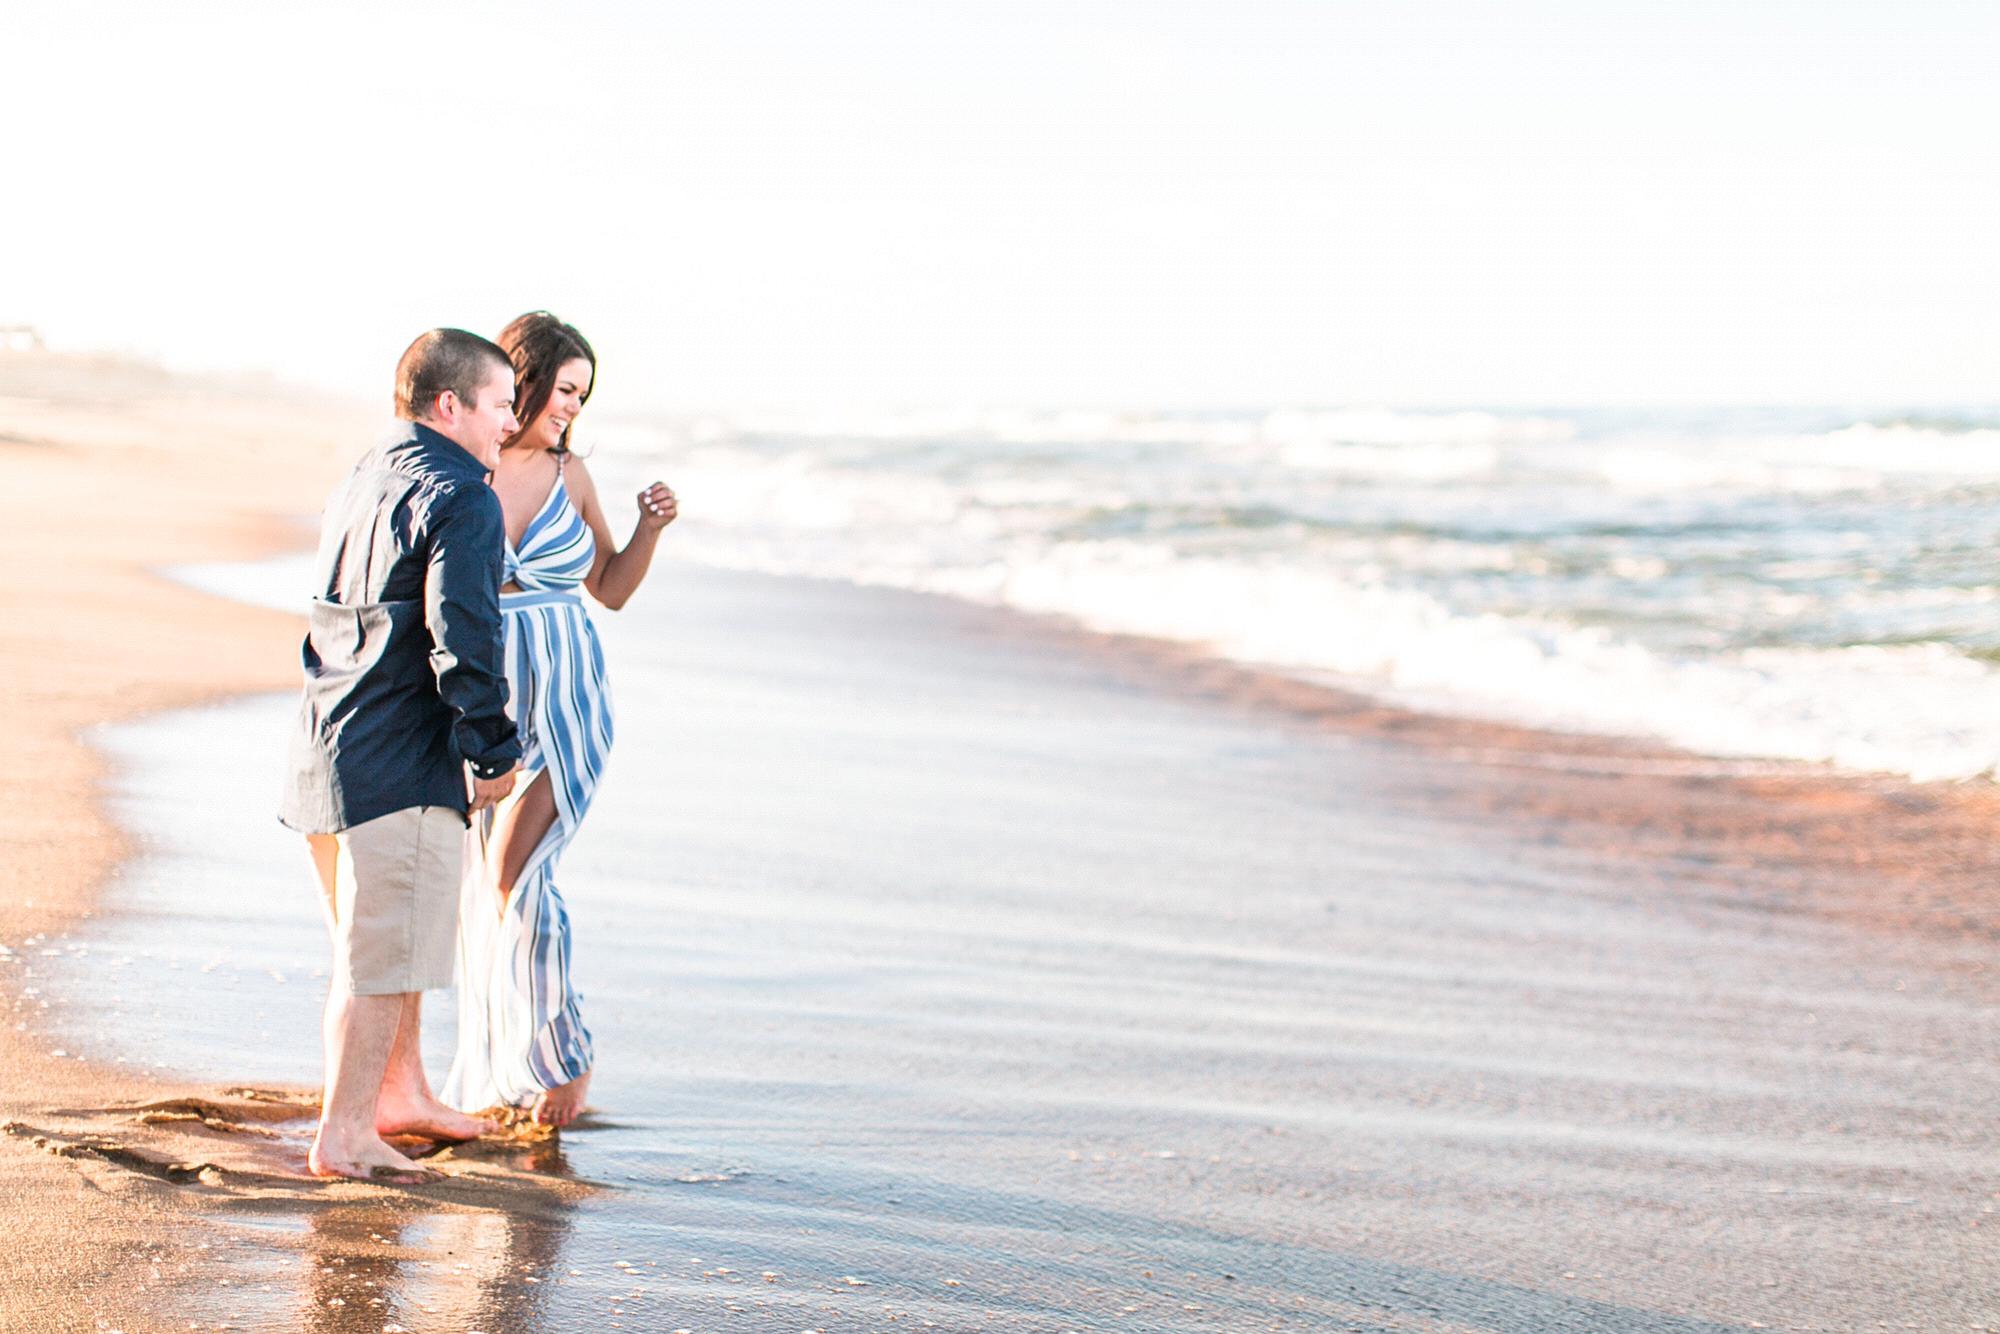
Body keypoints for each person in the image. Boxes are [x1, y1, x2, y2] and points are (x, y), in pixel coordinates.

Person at [280, 329, 524, 1183]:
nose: (511, 422)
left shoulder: (368, 470)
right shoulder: (464, 495)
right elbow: (465, 633)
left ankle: (401, 1094)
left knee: (386, 946)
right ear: (450, 405)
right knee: (378, 958)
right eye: (501, 405)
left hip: (326, 745)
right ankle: (345, 1134)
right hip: (398, 758)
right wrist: (492, 745)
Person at [443, 312, 677, 1128]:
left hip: (570, 692)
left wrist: (650, 528)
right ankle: (500, 1065)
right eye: (564, 390)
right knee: (481, 885)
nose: (572, 408)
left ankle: (565, 1060)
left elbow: (608, 589)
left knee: (518, 874)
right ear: (523, 380)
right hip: (484, 699)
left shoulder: (571, 474)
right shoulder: (462, 465)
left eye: (583, 396)